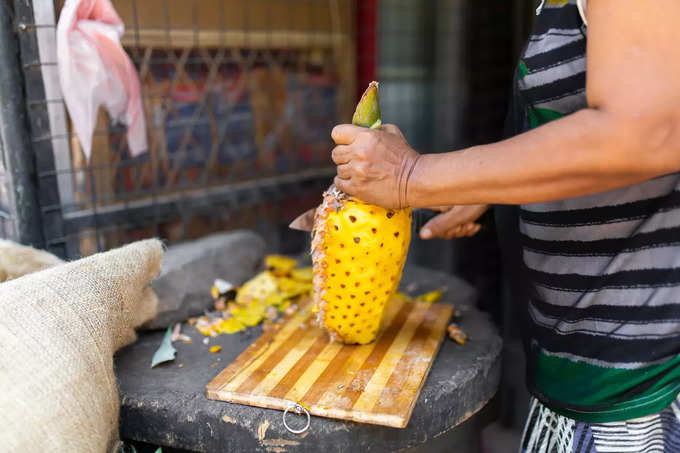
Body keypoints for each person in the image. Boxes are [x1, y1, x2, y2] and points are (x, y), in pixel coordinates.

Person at [330, 0, 680, 451]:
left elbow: (647, 134)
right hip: (582, 376)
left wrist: (412, 176)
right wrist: (488, 186)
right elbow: (591, 125)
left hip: (642, 391)